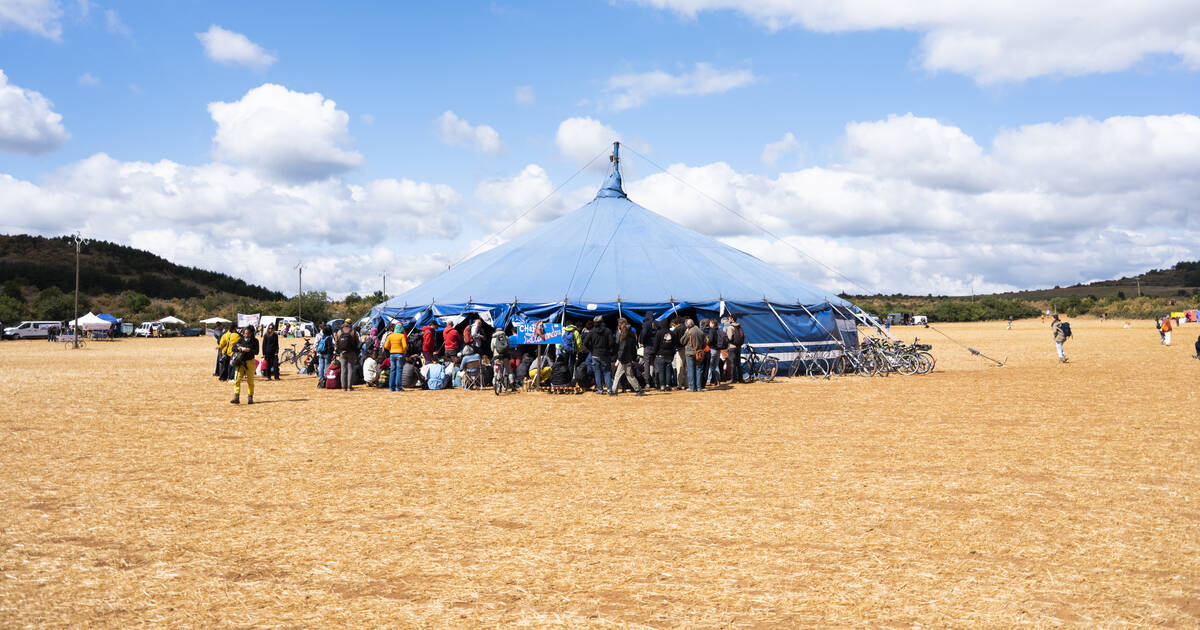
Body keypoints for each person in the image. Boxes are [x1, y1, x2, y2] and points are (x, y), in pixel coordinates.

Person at [612, 317, 645, 396]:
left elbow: (622, 349)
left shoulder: (624, 335)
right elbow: (633, 347)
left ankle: (614, 391)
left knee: (622, 375)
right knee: (628, 375)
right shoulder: (631, 333)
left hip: (624, 359)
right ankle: (638, 390)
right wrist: (633, 357)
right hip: (628, 358)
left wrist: (618, 359)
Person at [585, 316, 615, 395]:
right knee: (607, 372)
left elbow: (585, 342)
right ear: (602, 322)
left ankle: (600, 390)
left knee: (597, 372)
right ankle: (609, 390)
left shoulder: (592, 331)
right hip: (605, 354)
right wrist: (609, 350)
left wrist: (591, 349)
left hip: (595, 354)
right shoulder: (608, 331)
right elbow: (611, 343)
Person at [230, 325, 259, 404]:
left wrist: (249, 350)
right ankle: (236, 397)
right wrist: (238, 348)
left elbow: (257, 351)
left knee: (250, 381)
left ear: (251, 333)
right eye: (245, 333)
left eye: (248, 333)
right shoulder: (241, 340)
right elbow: (233, 348)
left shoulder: (255, 341)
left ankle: (250, 398)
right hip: (240, 363)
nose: (246, 335)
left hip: (250, 362)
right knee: (237, 380)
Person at [335, 321, 360, 391]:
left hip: (342, 353)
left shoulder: (339, 331)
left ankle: (343, 387)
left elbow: (336, 342)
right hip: (351, 352)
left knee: (343, 370)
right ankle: (349, 387)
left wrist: (339, 350)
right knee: (350, 369)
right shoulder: (353, 331)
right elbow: (358, 342)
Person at [383, 323, 408, 392]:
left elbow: (385, 346)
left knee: (392, 370)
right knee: (399, 370)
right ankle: (398, 387)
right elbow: (405, 346)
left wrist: (391, 349)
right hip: (400, 354)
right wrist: (404, 351)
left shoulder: (390, 336)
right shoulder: (402, 336)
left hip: (392, 354)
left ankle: (391, 387)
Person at [683, 319, 706, 391]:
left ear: (687, 325)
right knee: (699, 369)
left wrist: (686, 332)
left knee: (690, 370)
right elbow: (705, 343)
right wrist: (700, 349)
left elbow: (682, 341)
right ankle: (699, 387)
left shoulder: (688, 332)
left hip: (690, 353)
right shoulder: (700, 331)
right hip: (698, 353)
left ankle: (692, 387)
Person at [655, 318, 676, 391]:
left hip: (661, 354)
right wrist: (673, 354)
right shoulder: (672, 333)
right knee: (668, 371)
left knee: (661, 371)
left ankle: (662, 386)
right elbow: (674, 345)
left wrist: (656, 353)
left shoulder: (659, 333)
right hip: (669, 354)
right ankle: (668, 385)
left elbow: (656, 345)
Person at [315, 324, 334, 389]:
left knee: (321, 367)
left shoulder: (322, 336)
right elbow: (330, 347)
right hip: (327, 354)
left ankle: (320, 380)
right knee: (326, 367)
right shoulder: (329, 338)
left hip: (320, 353)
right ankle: (325, 381)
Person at [727, 315, 744, 384]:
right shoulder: (739, 326)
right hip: (738, 346)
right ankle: (741, 378)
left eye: (729, 319)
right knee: (738, 363)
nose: (728, 320)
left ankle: (733, 379)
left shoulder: (730, 327)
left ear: (732, 319)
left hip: (732, 347)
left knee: (732, 363)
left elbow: (729, 338)